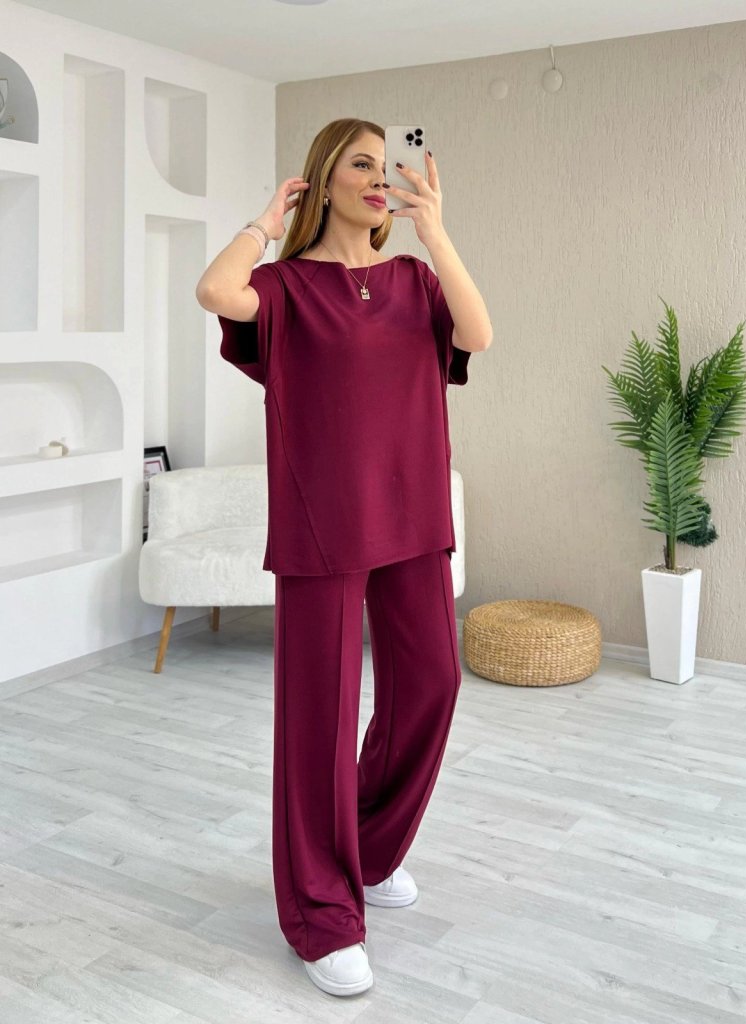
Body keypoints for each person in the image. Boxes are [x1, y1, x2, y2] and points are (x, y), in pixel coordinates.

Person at [196, 118, 492, 997]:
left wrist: (436, 232)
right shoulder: (285, 288)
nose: (377, 178)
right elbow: (215, 291)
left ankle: (366, 849)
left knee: (432, 683)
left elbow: (478, 335)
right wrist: (264, 223)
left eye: (383, 166)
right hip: (323, 525)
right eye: (359, 164)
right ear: (323, 181)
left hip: (414, 515)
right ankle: (321, 916)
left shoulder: (414, 281)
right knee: (319, 722)